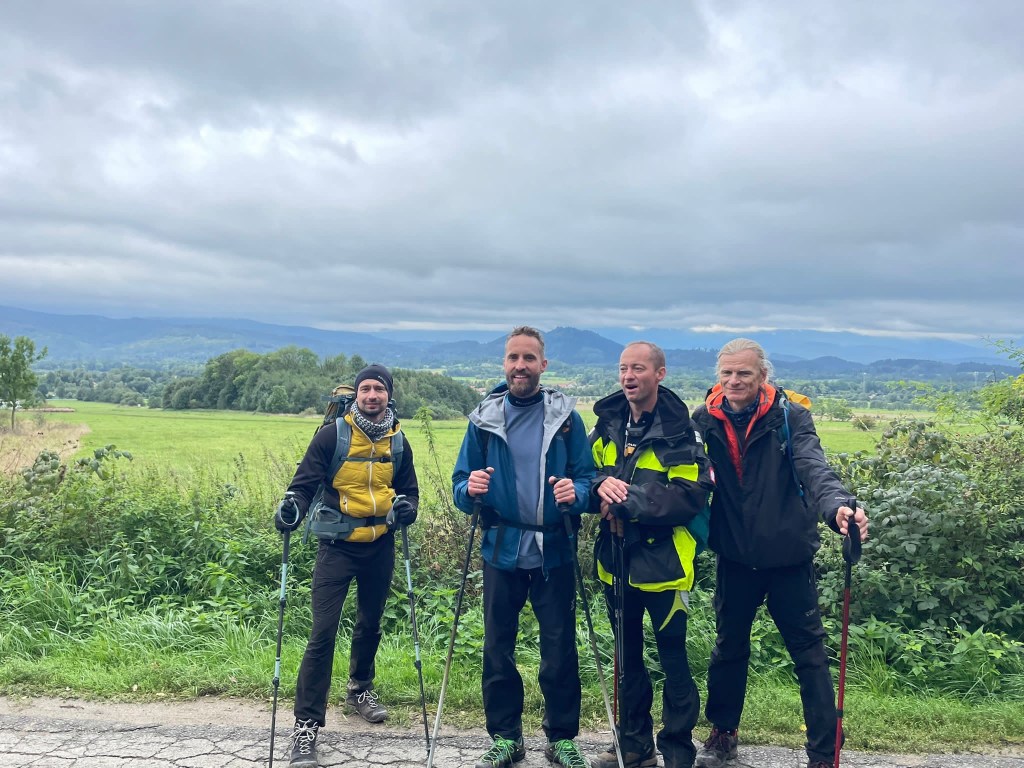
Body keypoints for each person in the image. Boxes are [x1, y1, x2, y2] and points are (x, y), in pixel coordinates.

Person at [690, 339, 869, 768]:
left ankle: (824, 753)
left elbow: (813, 467)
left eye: (744, 373)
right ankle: (723, 734)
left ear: (763, 376)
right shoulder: (704, 420)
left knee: (809, 656)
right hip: (735, 555)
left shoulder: (789, 417)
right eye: (727, 373)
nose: (734, 381)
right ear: (718, 376)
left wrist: (838, 508)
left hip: (789, 556)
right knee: (728, 649)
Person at [452, 326, 596, 768]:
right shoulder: (483, 420)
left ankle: (561, 738)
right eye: (514, 357)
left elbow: (587, 478)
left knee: (559, 648)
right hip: (501, 548)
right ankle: (506, 738)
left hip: (554, 549)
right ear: (504, 363)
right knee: (498, 648)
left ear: (543, 365)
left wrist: (578, 494)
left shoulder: (567, 419)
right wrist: (470, 490)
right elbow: (461, 485)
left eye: (529, 358)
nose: (520, 365)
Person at [273, 364, 419, 768]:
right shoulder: (332, 435)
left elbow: (409, 490)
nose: (372, 395)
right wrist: (292, 509)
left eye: (379, 389)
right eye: (365, 389)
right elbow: (303, 484)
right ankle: (305, 728)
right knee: (323, 633)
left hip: (380, 544)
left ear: (389, 395)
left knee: (370, 623)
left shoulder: (398, 440)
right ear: (356, 395)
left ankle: (360, 689)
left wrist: (407, 508)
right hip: (336, 547)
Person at [588, 342, 713, 768]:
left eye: (638, 368)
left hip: (666, 566)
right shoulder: (607, 424)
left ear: (660, 374)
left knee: (673, 660)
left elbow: (689, 496)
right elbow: (586, 474)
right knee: (627, 661)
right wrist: (596, 488)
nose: (628, 376)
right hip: (615, 563)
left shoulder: (682, 431)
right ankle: (634, 745)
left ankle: (678, 750)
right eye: (623, 368)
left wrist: (627, 501)